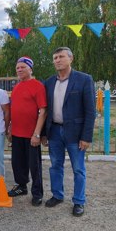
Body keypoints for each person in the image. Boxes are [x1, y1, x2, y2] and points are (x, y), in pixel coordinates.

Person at [42, 47, 96, 216]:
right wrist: (44, 133)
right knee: (55, 166)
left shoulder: (84, 80)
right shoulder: (49, 82)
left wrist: (86, 137)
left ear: (70, 59)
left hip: (76, 133)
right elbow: (46, 110)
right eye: (55, 57)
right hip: (55, 132)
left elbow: (90, 111)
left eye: (61, 56)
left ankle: (79, 201)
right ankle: (57, 195)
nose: (57, 60)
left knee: (78, 169)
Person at [7, 57, 47, 207]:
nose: (19, 70)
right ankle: (22, 187)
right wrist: (10, 128)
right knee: (18, 164)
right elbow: (14, 110)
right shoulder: (16, 87)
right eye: (17, 67)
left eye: (23, 67)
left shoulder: (38, 86)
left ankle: (37, 193)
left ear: (30, 69)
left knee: (34, 166)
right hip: (17, 134)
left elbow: (43, 111)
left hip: (31, 135)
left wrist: (37, 134)